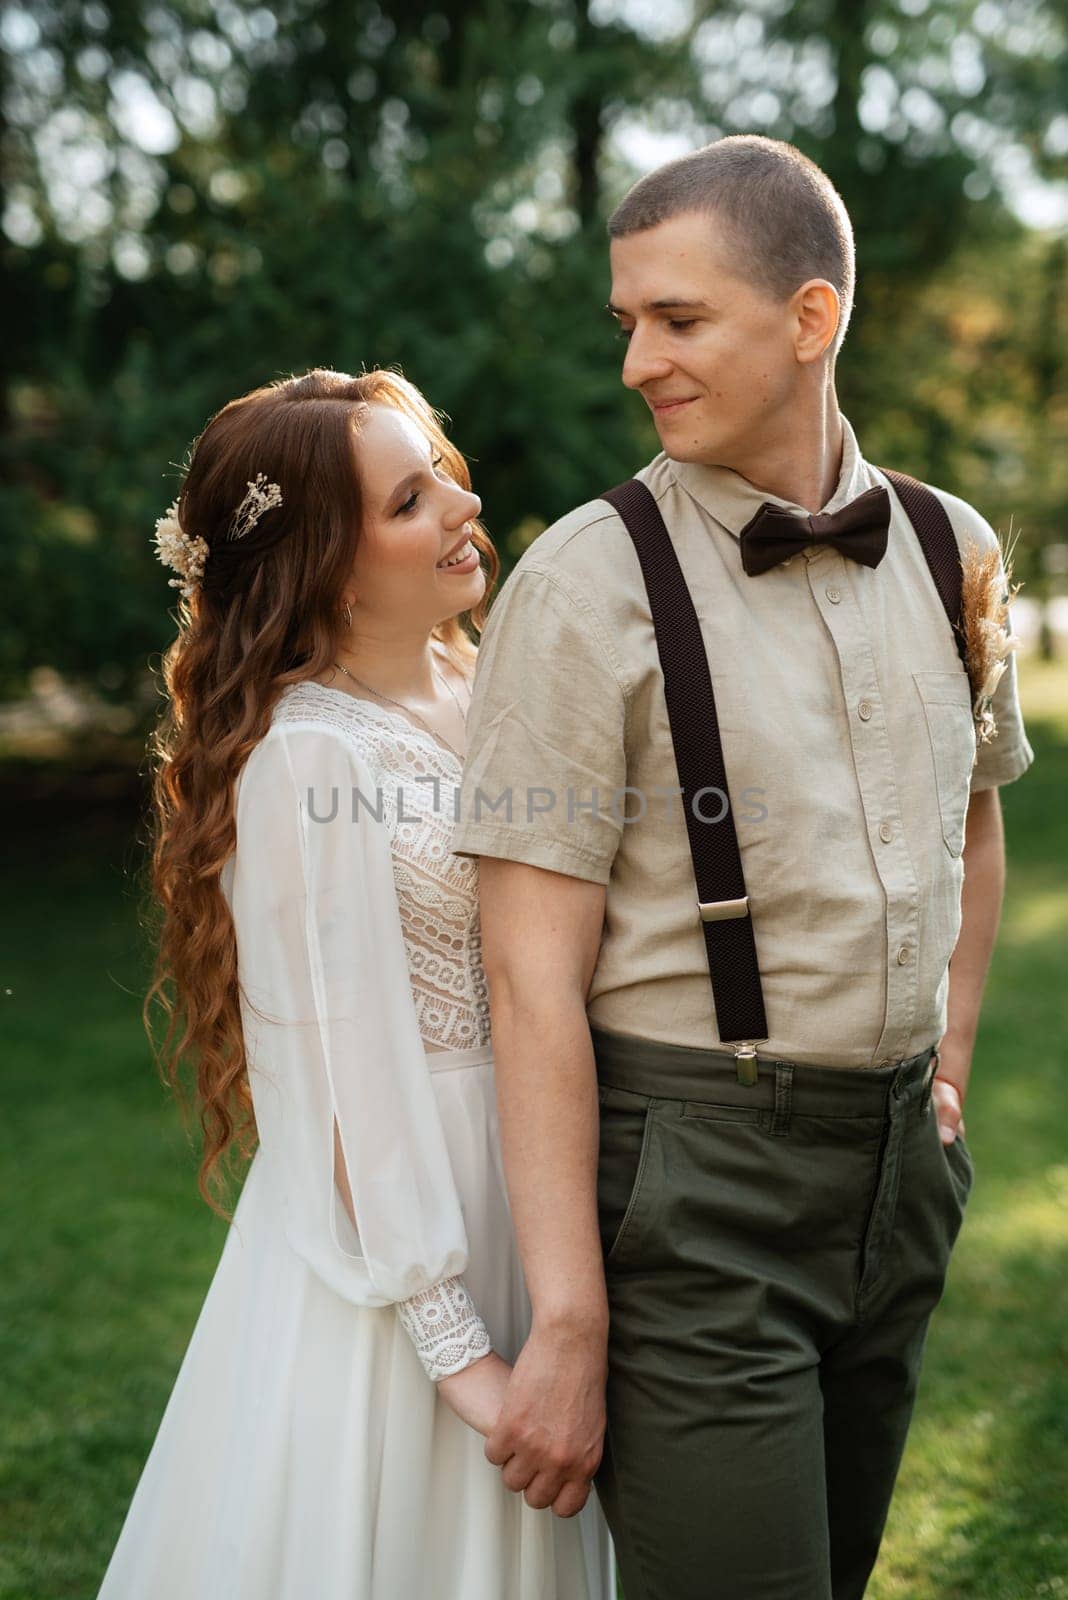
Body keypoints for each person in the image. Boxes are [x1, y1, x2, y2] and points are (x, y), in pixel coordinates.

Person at [452, 136, 1035, 1600]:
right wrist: (572, 1319)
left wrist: (947, 1068)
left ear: (811, 317)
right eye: (627, 322)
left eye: (680, 318)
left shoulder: (947, 543)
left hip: (900, 1169)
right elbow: (528, 978)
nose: (640, 359)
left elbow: (974, 814)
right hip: (695, 1185)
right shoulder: (584, 584)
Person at [96, 367, 613, 1600]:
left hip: (548, 1166)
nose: (462, 502)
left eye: (441, 472)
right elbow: (340, 1086)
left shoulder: (492, 686)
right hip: (410, 1236)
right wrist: (459, 1359)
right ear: (325, 561)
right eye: (409, 499)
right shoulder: (305, 758)